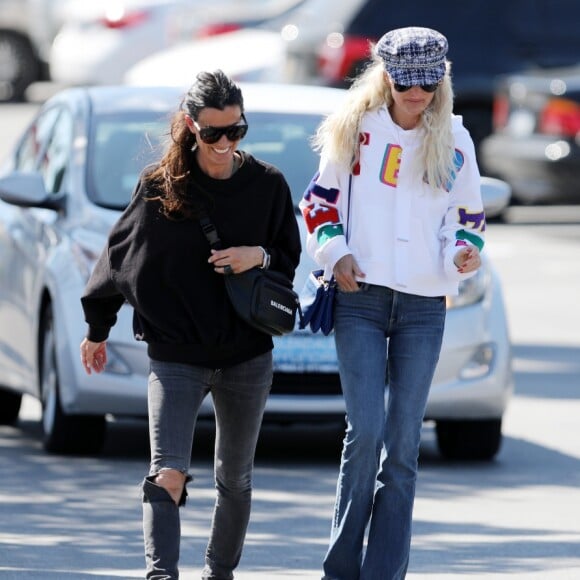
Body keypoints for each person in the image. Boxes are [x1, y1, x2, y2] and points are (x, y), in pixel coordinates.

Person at [79, 70, 301, 580]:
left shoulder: (267, 185)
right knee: (168, 473)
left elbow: (288, 257)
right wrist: (97, 328)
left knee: (234, 480)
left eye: (235, 131)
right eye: (212, 133)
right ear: (189, 126)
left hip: (246, 355)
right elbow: (119, 258)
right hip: (176, 356)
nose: (225, 144)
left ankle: (218, 574)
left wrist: (257, 255)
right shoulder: (161, 187)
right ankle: (162, 575)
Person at [299, 27, 485, 579]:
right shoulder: (355, 130)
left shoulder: (454, 138)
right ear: (387, 77)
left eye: (429, 82)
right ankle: (340, 569)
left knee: (403, 446)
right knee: (366, 434)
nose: (418, 93)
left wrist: (463, 254)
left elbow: (468, 219)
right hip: (361, 296)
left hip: (426, 303)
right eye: (407, 81)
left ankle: (384, 572)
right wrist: (337, 253)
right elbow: (318, 204)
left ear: (441, 79)